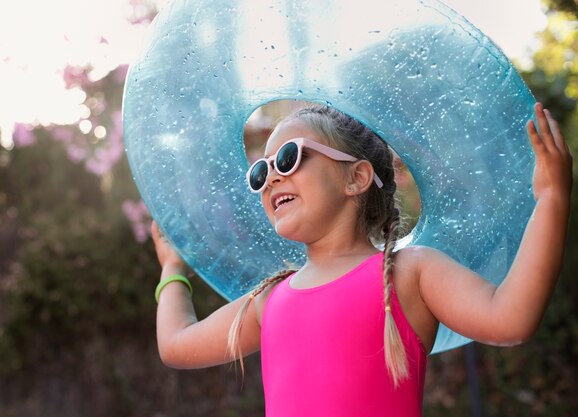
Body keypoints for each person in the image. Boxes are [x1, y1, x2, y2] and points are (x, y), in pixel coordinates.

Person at [150, 103, 572, 416]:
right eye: (260, 173)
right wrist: (172, 269)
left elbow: (511, 318)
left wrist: (552, 198)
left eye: (288, 158)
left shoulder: (409, 274)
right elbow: (176, 345)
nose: (271, 178)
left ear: (356, 177)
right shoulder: (269, 300)